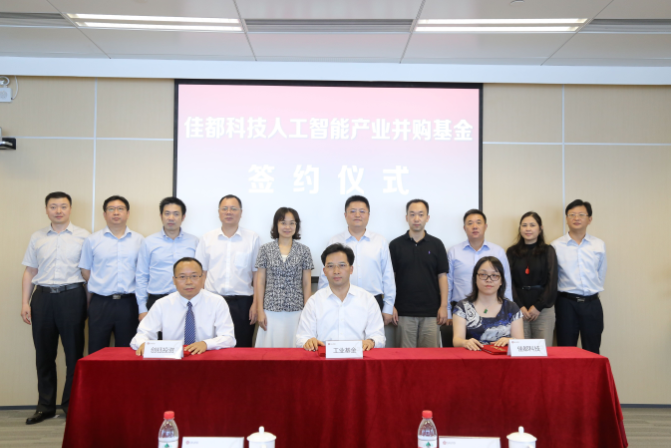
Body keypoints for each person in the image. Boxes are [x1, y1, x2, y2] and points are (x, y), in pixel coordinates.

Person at [20, 192, 90, 424]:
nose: (58, 211)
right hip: (42, 298)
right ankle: (45, 407)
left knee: (74, 355)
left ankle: (71, 405)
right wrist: (25, 302)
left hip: (72, 296)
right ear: (46, 209)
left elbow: (88, 274)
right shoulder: (37, 237)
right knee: (44, 355)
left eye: (63, 206)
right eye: (53, 206)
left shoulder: (84, 236)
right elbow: (30, 271)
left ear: (70, 208)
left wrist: (88, 304)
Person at [318, 195, 396, 345]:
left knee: (372, 344)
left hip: (374, 300)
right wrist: (322, 303)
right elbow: (325, 275)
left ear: (368, 215)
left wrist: (388, 307)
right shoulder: (335, 240)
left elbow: (388, 275)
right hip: (341, 300)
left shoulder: (379, 241)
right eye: (353, 211)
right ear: (345, 215)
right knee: (342, 341)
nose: (357, 215)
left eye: (362, 211)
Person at [79, 195, 144, 354]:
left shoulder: (140, 240)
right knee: (97, 351)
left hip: (129, 303)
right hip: (100, 303)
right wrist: (100, 284)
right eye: (111, 209)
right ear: (104, 214)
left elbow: (143, 272)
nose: (116, 213)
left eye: (120, 209)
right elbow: (85, 270)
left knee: (128, 352)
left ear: (128, 213)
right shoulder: (92, 240)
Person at [131, 258, 236, 355]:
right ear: (174, 280)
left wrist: (206, 344)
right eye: (182, 277)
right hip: (172, 360)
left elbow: (229, 338)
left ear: (203, 278)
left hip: (205, 357)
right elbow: (142, 334)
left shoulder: (217, 302)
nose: (189, 282)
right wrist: (143, 343)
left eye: (194, 276)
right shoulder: (162, 304)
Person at [195, 194, 260, 347]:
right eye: (224, 208)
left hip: (243, 303)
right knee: (211, 347)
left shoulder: (252, 238)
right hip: (212, 301)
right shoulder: (207, 238)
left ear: (241, 212)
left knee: (242, 347)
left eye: (233, 209)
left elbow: (257, 274)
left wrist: (256, 304)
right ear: (219, 212)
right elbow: (201, 274)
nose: (229, 212)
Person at [296, 243, 385, 350]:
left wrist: (371, 341)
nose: (336, 271)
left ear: (351, 269)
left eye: (342, 265)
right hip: (324, 358)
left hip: (358, 357)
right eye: (330, 266)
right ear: (324, 271)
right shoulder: (314, 301)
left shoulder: (367, 299)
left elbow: (378, 337)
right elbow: (302, 338)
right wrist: (308, 342)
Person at [389, 199, 449, 348]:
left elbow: (442, 277)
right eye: (412, 214)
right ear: (406, 217)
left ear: (427, 218)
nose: (416, 218)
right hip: (403, 312)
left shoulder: (437, 244)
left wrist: (443, 306)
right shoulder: (395, 245)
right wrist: (390, 305)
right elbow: (390, 278)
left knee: (430, 358)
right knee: (405, 358)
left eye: (421, 214)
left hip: (431, 313)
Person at [551, 200, 607, 354]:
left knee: (593, 350)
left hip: (592, 303)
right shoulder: (556, 246)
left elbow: (601, 273)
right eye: (572, 215)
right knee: (566, 351)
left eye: (581, 214)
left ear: (590, 219)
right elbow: (553, 277)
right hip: (566, 304)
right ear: (566, 218)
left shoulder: (598, 244)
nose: (576, 218)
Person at [255, 207, 314, 347]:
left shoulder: (304, 250)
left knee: (294, 349)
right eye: (283, 223)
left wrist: (306, 312)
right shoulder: (265, 249)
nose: (287, 227)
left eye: (292, 223)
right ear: (276, 224)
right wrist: (259, 310)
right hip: (270, 309)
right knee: (269, 351)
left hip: (296, 309)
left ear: (296, 226)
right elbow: (260, 281)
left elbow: (307, 283)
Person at [135, 197, 198, 323]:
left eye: (176, 214)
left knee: (186, 335)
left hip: (186, 300)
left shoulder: (194, 242)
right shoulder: (149, 242)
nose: (171, 218)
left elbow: (199, 275)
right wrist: (142, 308)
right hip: (156, 301)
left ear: (183, 217)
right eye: (167, 213)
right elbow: (141, 275)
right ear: (161, 216)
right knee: (157, 336)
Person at [447, 209, 513, 323]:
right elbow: (448, 284)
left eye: (478, 222)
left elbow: (506, 282)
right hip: (460, 311)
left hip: (493, 310)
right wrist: (447, 311)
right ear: (464, 228)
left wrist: (509, 310)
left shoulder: (498, 252)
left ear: (485, 226)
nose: (474, 226)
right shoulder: (454, 252)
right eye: (470, 223)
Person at [506, 212, 558, 347]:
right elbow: (508, 282)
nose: (528, 229)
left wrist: (538, 306)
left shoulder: (548, 250)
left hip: (543, 310)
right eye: (524, 225)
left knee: (543, 351)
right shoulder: (512, 252)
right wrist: (519, 306)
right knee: (520, 350)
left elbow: (552, 282)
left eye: (532, 225)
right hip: (518, 309)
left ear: (540, 228)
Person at [453, 256, 523, 351]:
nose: (489, 280)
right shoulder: (462, 307)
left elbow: (520, 341)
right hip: (472, 356)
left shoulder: (512, 308)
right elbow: (457, 340)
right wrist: (464, 342)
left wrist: (512, 341)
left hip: (503, 358)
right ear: (475, 279)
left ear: (501, 281)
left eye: (494, 275)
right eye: (483, 274)